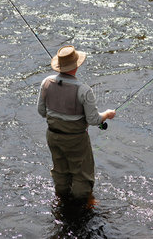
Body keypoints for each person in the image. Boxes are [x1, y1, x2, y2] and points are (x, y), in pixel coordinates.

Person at [37, 45, 116, 201]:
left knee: (60, 170)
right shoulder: (84, 90)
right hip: (76, 140)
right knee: (81, 173)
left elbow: (41, 112)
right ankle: (82, 203)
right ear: (76, 65)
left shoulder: (46, 82)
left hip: (53, 136)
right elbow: (94, 120)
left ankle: (61, 199)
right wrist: (107, 114)